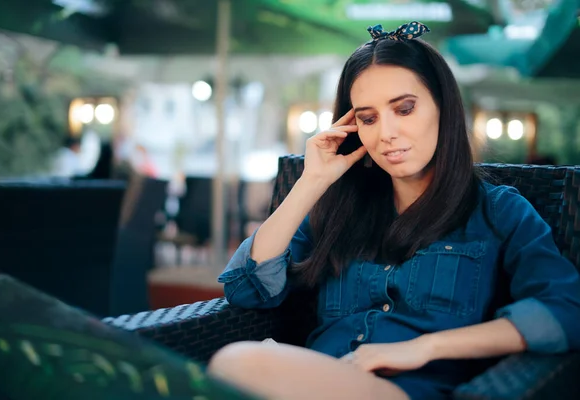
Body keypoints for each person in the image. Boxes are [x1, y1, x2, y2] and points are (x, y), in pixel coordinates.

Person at [207, 22, 580, 400]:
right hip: (322, 379)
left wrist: (425, 347)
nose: (386, 133)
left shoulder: (498, 211)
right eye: (368, 118)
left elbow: (565, 311)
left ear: (443, 108)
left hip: (411, 391)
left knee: (236, 363)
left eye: (404, 109)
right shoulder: (339, 210)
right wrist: (311, 182)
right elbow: (245, 289)